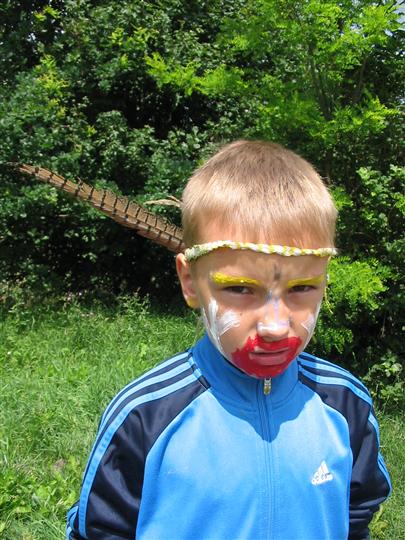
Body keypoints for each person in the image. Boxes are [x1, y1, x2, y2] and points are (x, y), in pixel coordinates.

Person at [66, 140, 391, 540]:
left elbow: (357, 510)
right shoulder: (144, 417)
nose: (275, 326)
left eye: (302, 288)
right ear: (190, 282)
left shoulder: (345, 404)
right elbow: (101, 530)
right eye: (239, 289)